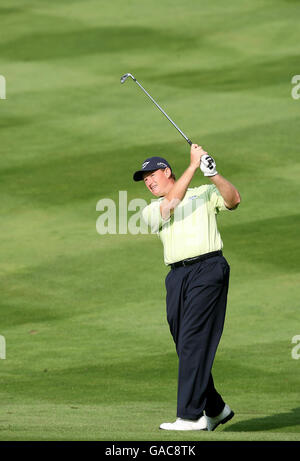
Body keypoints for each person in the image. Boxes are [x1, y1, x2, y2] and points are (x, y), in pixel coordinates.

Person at [133, 144, 241, 431]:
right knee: (186, 344)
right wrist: (193, 166)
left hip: (208, 269)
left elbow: (233, 200)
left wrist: (214, 175)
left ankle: (191, 416)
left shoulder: (203, 193)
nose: (149, 182)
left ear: (167, 171)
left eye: (152, 175)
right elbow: (171, 204)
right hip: (177, 277)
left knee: (192, 340)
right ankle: (216, 408)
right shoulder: (151, 209)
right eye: (145, 180)